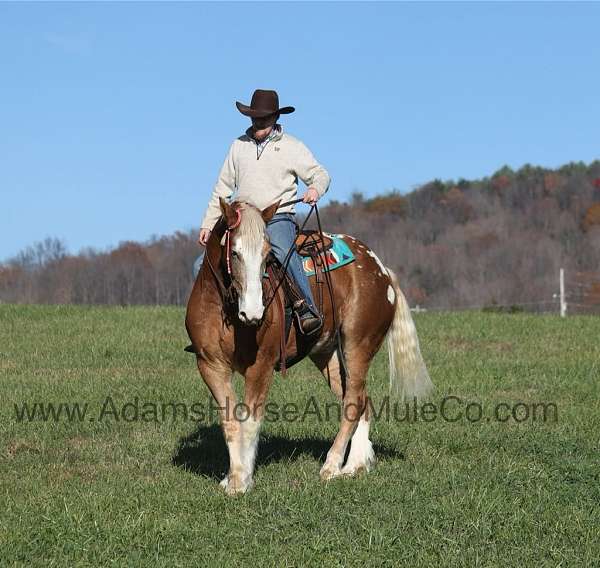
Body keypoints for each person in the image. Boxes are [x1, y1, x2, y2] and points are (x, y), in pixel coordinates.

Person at [198, 89, 330, 334]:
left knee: (282, 250)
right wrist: (208, 223)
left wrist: (314, 189)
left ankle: (306, 309)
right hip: (242, 218)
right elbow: (223, 188)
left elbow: (320, 174)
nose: (258, 122)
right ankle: (210, 326)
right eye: (254, 117)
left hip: (276, 217)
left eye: (264, 117)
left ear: (275, 119)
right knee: (202, 263)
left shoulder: (292, 147)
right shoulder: (239, 146)